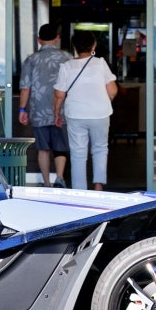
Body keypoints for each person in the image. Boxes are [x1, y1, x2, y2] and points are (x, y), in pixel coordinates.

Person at [53, 30, 118, 191]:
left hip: (75, 114)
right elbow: (113, 90)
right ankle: (98, 185)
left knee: (78, 153)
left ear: (74, 47)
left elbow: (59, 94)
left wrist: (56, 113)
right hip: (101, 113)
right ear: (93, 45)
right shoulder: (101, 63)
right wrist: (101, 101)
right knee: (100, 148)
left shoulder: (66, 66)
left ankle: (80, 191)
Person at [18, 23, 71, 187]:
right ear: (57, 38)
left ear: (39, 40)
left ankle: (47, 183)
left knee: (43, 148)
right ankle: (60, 177)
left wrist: (22, 109)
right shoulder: (67, 58)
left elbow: (25, 87)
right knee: (60, 146)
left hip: (38, 110)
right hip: (62, 109)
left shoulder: (31, 60)